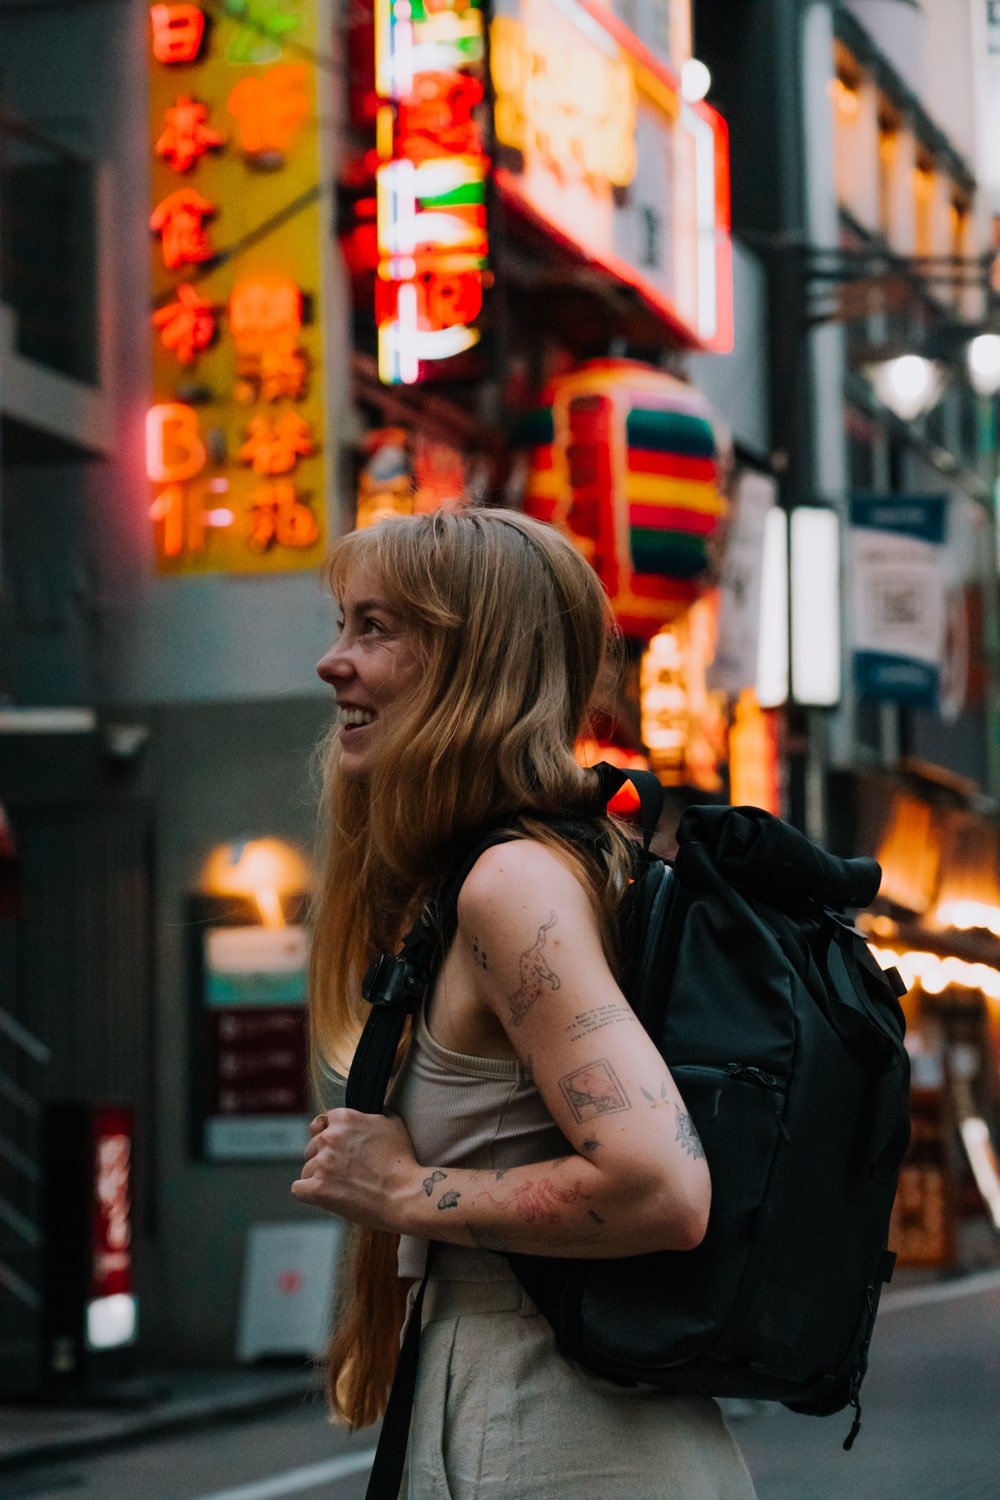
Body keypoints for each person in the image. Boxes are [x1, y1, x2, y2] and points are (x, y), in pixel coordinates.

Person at [292, 508, 756, 1500]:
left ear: (474, 662)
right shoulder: (517, 869)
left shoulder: (512, 886)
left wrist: (402, 1192)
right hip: (535, 1412)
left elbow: (658, 1189)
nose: (335, 661)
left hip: (555, 1433)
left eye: (377, 629)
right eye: (343, 624)